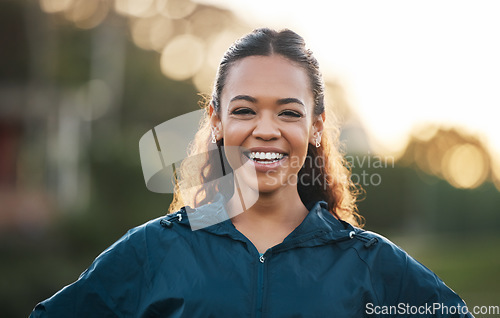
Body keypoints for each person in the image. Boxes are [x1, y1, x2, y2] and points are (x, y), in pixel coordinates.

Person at [30, 28, 473, 317]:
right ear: (218, 121)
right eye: (244, 110)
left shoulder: (372, 265)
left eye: (288, 113)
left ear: (315, 127)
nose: (265, 131)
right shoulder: (154, 251)